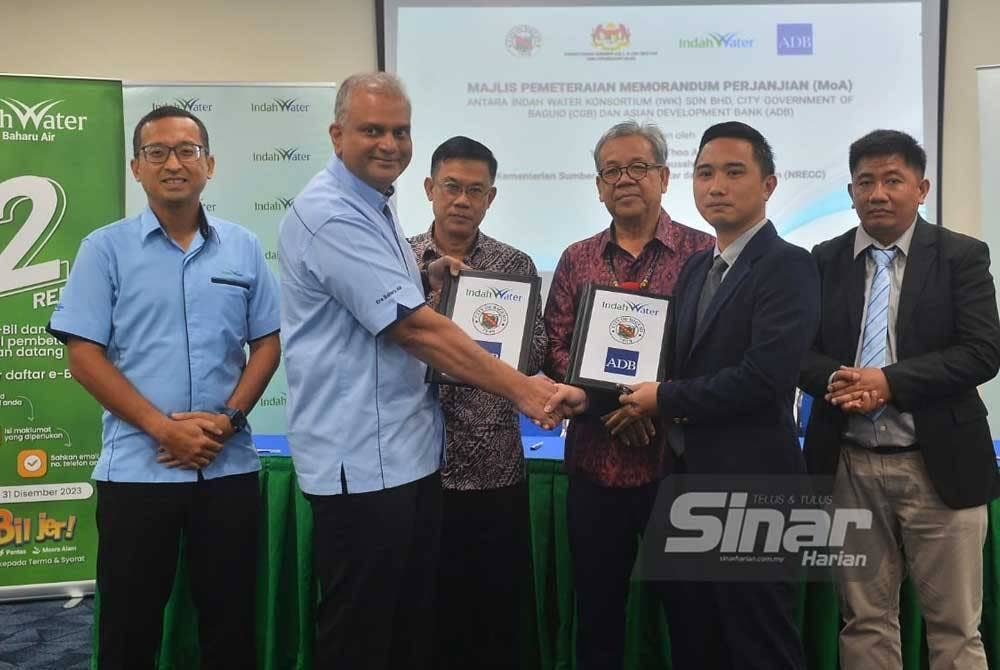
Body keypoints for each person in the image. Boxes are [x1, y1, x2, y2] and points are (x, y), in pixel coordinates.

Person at [278, 73, 558, 670]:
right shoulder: (333, 214)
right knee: (362, 635)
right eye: (371, 130)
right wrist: (522, 390)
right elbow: (414, 330)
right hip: (363, 464)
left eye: (399, 131)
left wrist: (424, 282)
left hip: (403, 460)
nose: (388, 143)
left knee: (404, 632)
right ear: (337, 134)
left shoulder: (372, 207)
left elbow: (388, 304)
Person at [549, 121, 818, 669]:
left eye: (733, 172)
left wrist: (657, 401)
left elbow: (763, 377)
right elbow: (662, 359)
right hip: (680, 474)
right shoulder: (701, 267)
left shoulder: (789, 264)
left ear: (768, 184)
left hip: (748, 485)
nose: (717, 185)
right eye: (707, 173)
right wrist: (611, 403)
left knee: (758, 638)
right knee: (703, 642)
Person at [47, 105, 281, 670]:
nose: (173, 163)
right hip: (137, 469)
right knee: (129, 628)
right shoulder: (104, 249)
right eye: (157, 152)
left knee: (231, 625)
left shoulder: (244, 247)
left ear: (210, 163)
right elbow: (83, 355)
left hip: (227, 466)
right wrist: (162, 429)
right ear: (136, 167)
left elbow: (268, 343)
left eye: (187, 150)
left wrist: (227, 419)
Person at [799, 129, 1000, 670]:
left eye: (893, 180)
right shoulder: (823, 259)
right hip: (849, 466)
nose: (878, 193)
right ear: (850, 191)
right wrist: (841, 378)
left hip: (939, 465)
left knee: (956, 629)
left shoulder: (960, 255)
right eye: (866, 182)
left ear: (921, 187)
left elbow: (983, 352)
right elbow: (798, 353)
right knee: (863, 623)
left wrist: (888, 383)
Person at [542, 121, 714, 670]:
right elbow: (555, 347)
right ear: (597, 186)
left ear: (664, 177)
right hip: (596, 467)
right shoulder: (576, 259)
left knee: (691, 619)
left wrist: (655, 400)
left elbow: (711, 351)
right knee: (597, 618)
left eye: (638, 167)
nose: (625, 179)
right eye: (611, 170)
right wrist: (619, 405)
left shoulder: (704, 253)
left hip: (678, 468)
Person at [408, 135, 545, 669]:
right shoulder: (396, 258)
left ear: (491, 197)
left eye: (474, 190)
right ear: (429, 189)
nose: (461, 200)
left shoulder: (514, 264)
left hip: (493, 466)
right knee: (424, 614)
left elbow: (532, 352)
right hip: (415, 463)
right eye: (451, 188)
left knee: (492, 616)